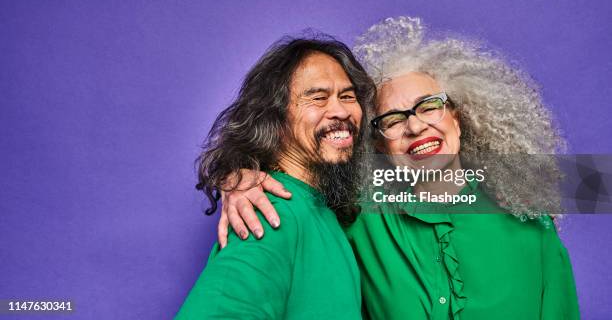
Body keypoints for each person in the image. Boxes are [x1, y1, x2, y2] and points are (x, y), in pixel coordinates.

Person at [219, 17, 580, 319]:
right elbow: (300, 167)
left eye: (429, 107)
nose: (415, 126)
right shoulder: (357, 217)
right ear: (377, 143)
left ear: (459, 117)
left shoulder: (533, 227)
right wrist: (242, 174)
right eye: (392, 119)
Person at [176, 36, 376, 319]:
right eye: (318, 98)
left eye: (347, 96)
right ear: (275, 117)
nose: (341, 111)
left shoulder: (320, 209)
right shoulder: (270, 214)